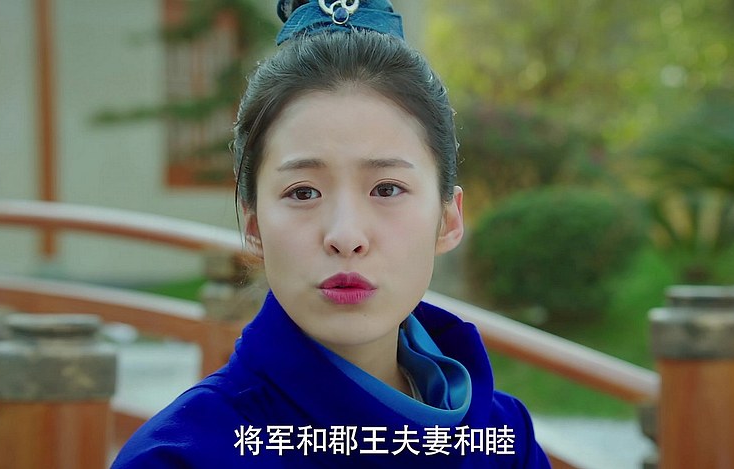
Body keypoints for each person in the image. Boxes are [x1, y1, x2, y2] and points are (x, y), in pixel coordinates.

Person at [112, 1, 551, 467]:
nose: (345, 235)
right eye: (303, 192)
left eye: (386, 189)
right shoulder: (181, 458)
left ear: (448, 219)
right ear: (254, 225)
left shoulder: (506, 440)